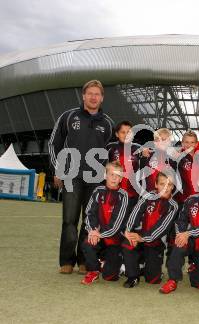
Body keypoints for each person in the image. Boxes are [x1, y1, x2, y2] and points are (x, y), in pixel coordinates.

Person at [48, 80, 114, 274]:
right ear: (83, 96)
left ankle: (85, 260)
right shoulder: (68, 117)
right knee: (69, 219)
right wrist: (57, 169)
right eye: (90, 93)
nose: (93, 97)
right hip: (71, 175)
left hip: (95, 179)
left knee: (90, 220)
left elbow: (111, 154)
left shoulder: (108, 123)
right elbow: (54, 144)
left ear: (102, 98)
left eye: (97, 94)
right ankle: (66, 261)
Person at [159, 169, 199, 294]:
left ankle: (194, 264)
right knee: (178, 244)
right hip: (189, 241)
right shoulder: (190, 199)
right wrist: (181, 235)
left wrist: (188, 233)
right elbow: (180, 220)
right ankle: (173, 280)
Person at [122, 170, 179, 288]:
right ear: (156, 185)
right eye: (162, 184)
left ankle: (148, 267)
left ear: (173, 187)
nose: (165, 188)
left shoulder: (173, 205)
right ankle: (133, 276)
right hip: (139, 237)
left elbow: (162, 227)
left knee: (153, 279)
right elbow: (135, 213)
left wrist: (143, 238)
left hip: (155, 242)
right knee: (127, 242)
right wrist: (128, 230)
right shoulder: (147, 196)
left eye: (169, 185)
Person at [81, 161, 128, 285]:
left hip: (114, 240)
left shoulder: (123, 195)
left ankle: (118, 262)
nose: (114, 178)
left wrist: (99, 234)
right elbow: (89, 213)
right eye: (111, 174)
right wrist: (92, 231)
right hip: (98, 236)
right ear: (105, 175)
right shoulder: (98, 191)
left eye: (117, 176)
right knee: (87, 243)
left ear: (121, 179)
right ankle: (94, 270)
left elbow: (116, 224)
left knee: (110, 277)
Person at [107, 121, 144, 215]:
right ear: (117, 134)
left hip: (133, 194)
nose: (126, 135)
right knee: (112, 220)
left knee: (129, 222)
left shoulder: (139, 149)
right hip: (113, 192)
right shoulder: (110, 148)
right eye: (123, 132)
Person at [140, 128, 177, 193]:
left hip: (166, 195)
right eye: (157, 140)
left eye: (163, 140)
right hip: (148, 195)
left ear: (169, 142)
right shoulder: (147, 155)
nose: (160, 142)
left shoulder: (172, 160)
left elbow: (175, 181)